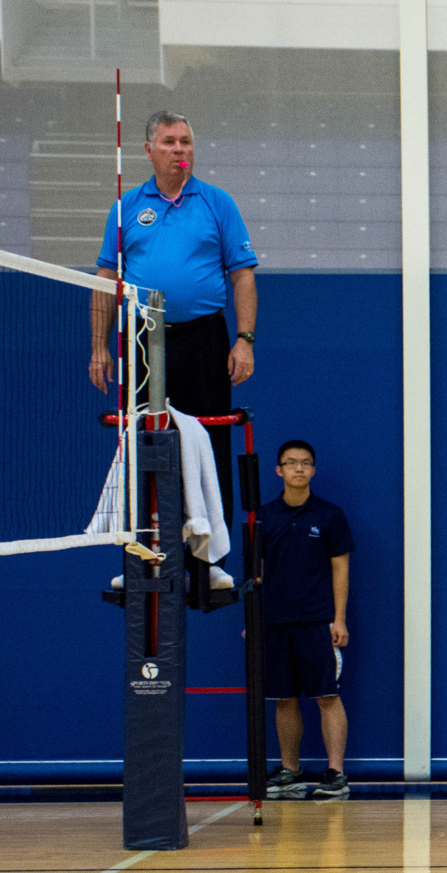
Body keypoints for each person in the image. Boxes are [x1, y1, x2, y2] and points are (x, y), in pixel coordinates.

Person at [91, 110, 258, 584]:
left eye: (186, 141)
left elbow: (242, 274)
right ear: (149, 150)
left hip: (205, 339)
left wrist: (244, 340)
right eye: (170, 142)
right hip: (144, 340)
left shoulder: (217, 203)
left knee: (209, 439)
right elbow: (107, 278)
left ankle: (209, 567)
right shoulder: (125, 208)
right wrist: (99, 347)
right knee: (144, 446)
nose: (180, 149)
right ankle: (141, 562)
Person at [258, 440, 354, 801]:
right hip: (276, 623)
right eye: (291, 463)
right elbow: (258, 573)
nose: (299, 469)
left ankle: (335, 774)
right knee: (284, 698)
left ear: (313, 470)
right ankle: (290, 771)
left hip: (319, 622)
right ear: (279, 470)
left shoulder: (330, 515)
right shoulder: (264, 517)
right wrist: (256, 618)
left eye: (306, 463)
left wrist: (339, 619)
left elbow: (340, 567)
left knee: (327, 695)